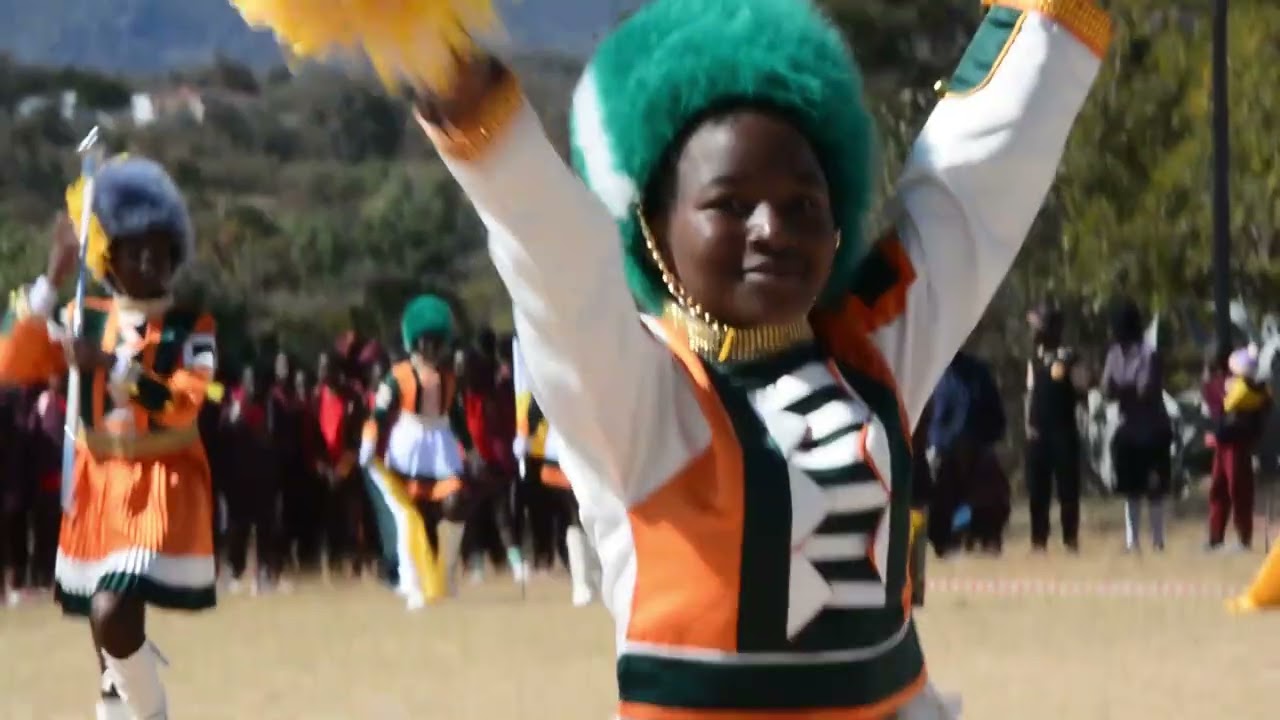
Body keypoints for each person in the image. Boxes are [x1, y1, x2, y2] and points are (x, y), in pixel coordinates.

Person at [413, 0, 1107, 715]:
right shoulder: (640, 390)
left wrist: (1046, 28)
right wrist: (460, 93)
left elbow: (975, 179)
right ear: (651, 225)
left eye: (804, 204)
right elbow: (556, 253)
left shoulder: (872, 350)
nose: (772, 228)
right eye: (731, 203)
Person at [0, 158, 218, 720]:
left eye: (162, 246)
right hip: (97, 484)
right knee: (107, 645)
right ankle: (124, 706)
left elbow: (182, 402)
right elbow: (11, 360)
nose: (151, 259)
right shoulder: (82, 314)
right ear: (107, 257)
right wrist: (51, 278)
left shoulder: (192, 327)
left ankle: (152, 709)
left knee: (112, 608)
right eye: (134, 247)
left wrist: (110, 368)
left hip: (160, 483)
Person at [359, 294, 477, 609]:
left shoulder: (451, 378)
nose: (433, 349)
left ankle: (445, 573)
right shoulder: (397, 376)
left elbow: (458, 419)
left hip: (441, 446)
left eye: (438, 342)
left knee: (455, 503)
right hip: (408, 446)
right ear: (415, 341)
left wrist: (472, 451)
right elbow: (379, 414)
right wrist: (370, 441)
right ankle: (412, 583)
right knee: (411, 519)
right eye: (427, 342)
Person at [1101, 299, 1172, 552]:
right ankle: (1132, 542)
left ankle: (1158, 540)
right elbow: (1106, 388)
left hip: (1153, 430)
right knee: (1131, 488)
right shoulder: (1112, 354)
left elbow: (1146, 389)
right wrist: (1122, 390)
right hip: (1128, 431)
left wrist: (1121, 389)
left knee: (1155, 487)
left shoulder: (1148, 353)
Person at [1025, 303, 1087, 552]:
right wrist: (1027, 424)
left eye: (1037, 325)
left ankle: (1070, 539)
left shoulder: (1069, 357)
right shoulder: (1034, 359)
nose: (1033, 331)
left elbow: (1083, 387)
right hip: (1038, 434)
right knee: (1037, 491)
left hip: (1064, 432)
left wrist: (1074, 371)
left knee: (1067, 490)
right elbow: (1029, 394)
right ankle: (1038, 541)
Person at [1206, 346, 1271, 550]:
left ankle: (1244, 538)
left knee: (1239, 490)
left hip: (1238, 445)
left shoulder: (1257, 391)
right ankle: (1215, 538)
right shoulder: (1227, 384)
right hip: (1223, 444)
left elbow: (1259, 416)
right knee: (1218, 489)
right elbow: (1219, 409)